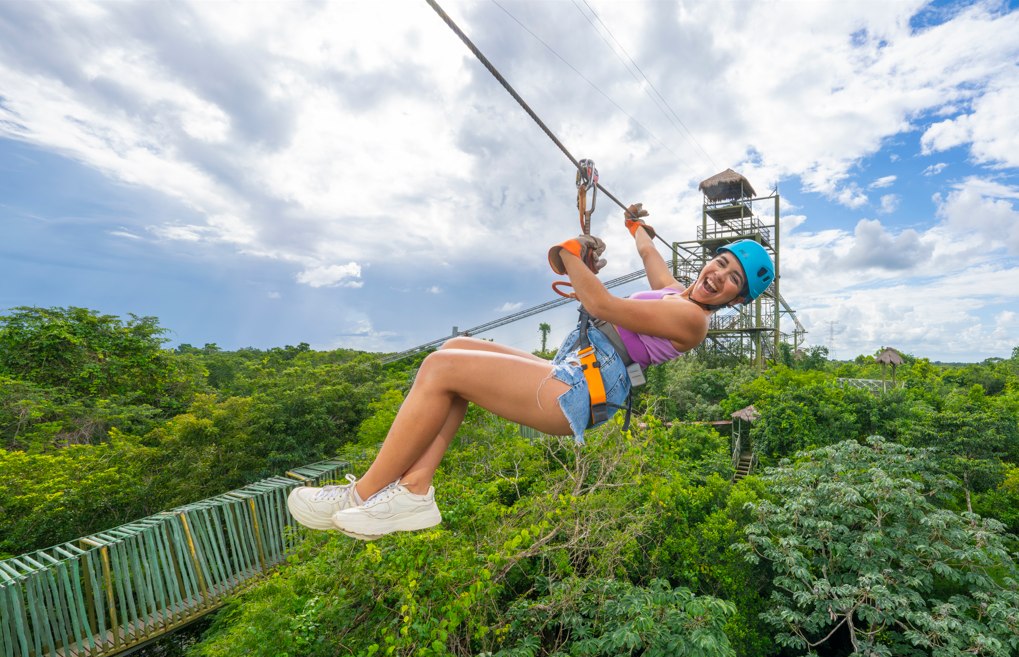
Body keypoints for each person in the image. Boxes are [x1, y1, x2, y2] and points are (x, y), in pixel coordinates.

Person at [287, 204, 774, 539]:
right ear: (710, 259)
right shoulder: (675, 294)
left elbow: (599, 301)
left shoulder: (691, 319)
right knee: (454, 349)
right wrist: (632, 226)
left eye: (733, 280)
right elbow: (651, 257)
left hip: (582, 388)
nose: (720, 276)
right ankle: (414, 490)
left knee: (441, 368)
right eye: (723, 262)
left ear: (738, 298)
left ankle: (363, 491)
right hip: (575, 365)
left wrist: (566, 254)